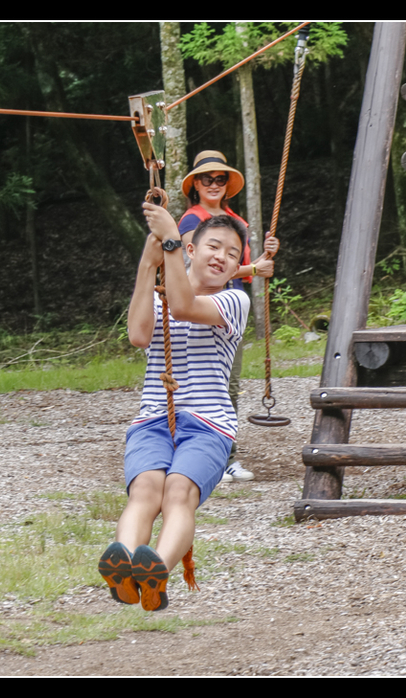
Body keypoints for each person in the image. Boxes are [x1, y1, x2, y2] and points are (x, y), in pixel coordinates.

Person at [98, 204, 251, 612]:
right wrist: (148, 266)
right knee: (145, 490)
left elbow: (186, 306)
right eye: (213, 246)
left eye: (233, 254)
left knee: (178, 493)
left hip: (207, 426)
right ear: (192, 250)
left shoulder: (234, 302)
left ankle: (156, 572)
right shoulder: (162, 300)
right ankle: (124, 563)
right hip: (152, 421)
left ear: (237, 267)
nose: (221, 257)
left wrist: (167, 243)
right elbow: (137, 334)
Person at [177, 150, 279, 483]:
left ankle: (225, 457)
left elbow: (243, 273)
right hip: (198, 309)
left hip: (229, 310)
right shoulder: (192, 220)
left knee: (228, 386)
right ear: (196, 184)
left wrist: (264, 257)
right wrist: (253, 267)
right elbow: (199, 267)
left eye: (220, 179)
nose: (214, 184)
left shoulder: (237, 223)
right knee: (198, 384)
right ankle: (196, 457)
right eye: (207, 179)